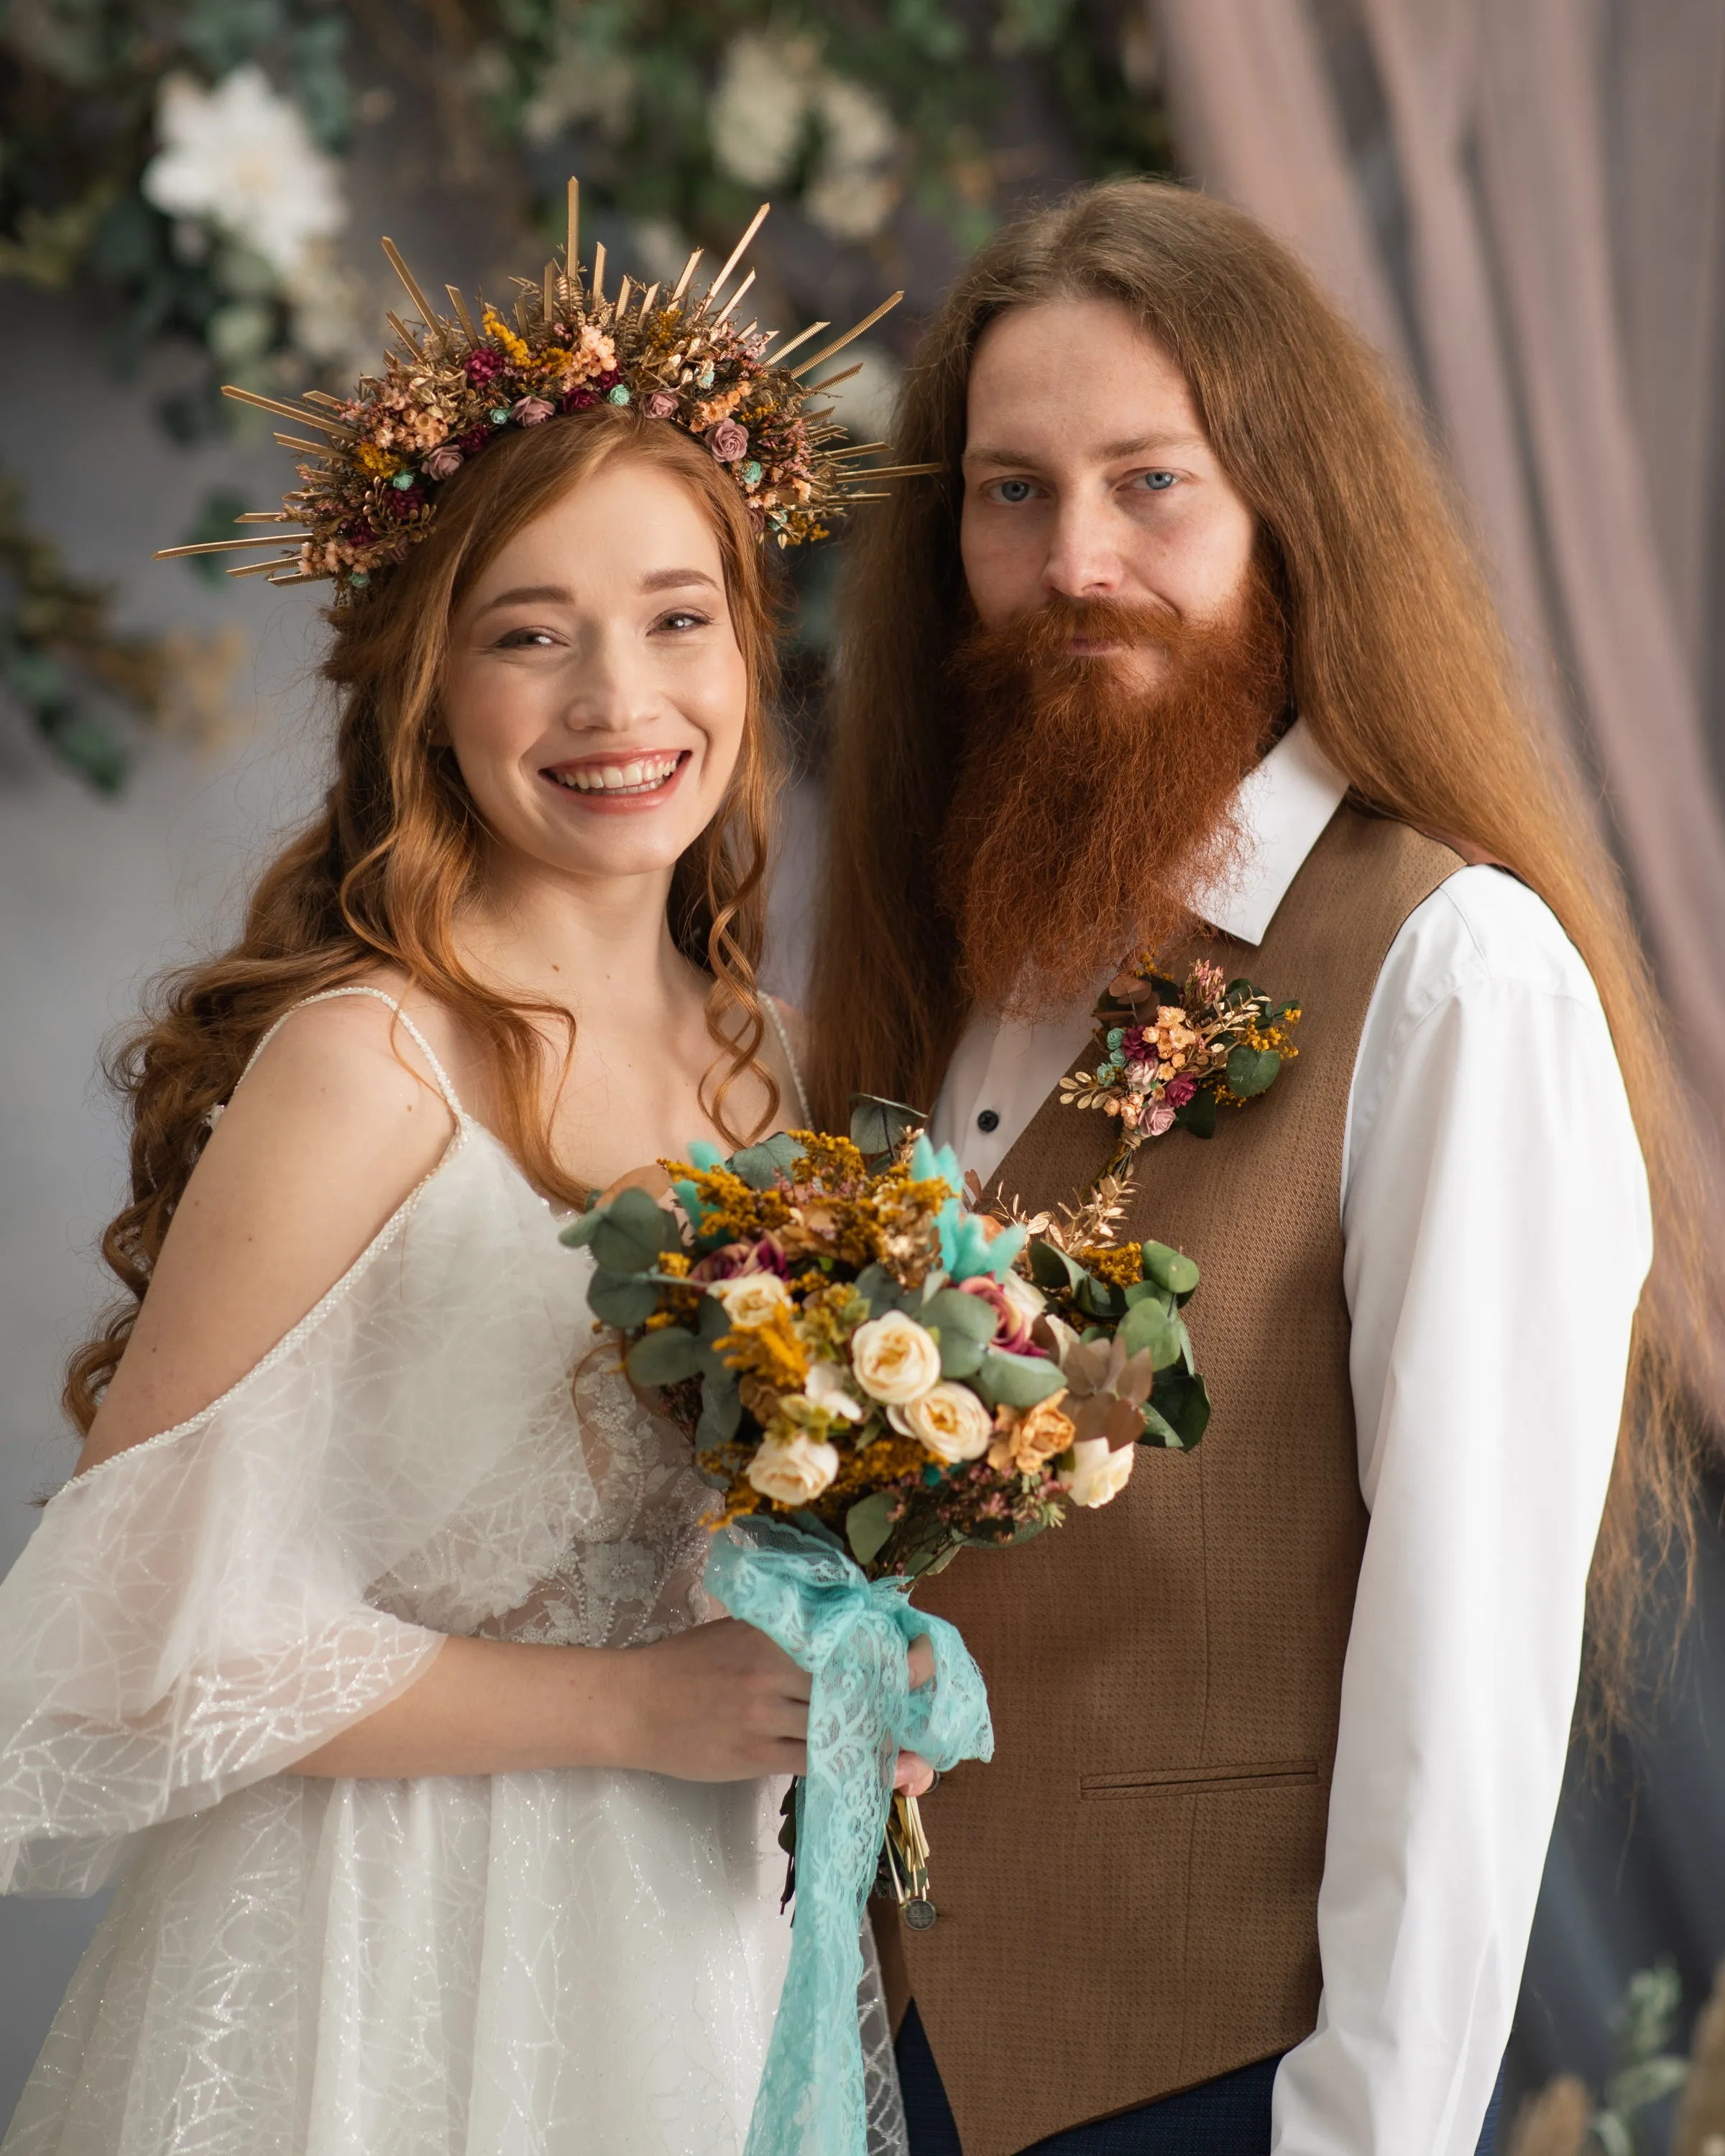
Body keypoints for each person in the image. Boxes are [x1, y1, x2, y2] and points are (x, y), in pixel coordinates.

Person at [0, 207, 929, 2156]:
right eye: (532, 633)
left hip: (691, 1952)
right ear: (425, 687)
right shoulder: (368, 1063)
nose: (619, 701)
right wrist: (624, 1714)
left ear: (751, 651)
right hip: (372, 1964)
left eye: (681, 617)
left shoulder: (792, 1079)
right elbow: (112, 1628)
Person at [806, 178, 1703, 2156]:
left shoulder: (1454, 966)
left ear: (1290, 511)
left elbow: (1463, 1668)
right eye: (1013, 494)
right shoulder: (979, 951)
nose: (1076, 563)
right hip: (888, 2059)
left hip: (1227, 2088)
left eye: (1152, 484)